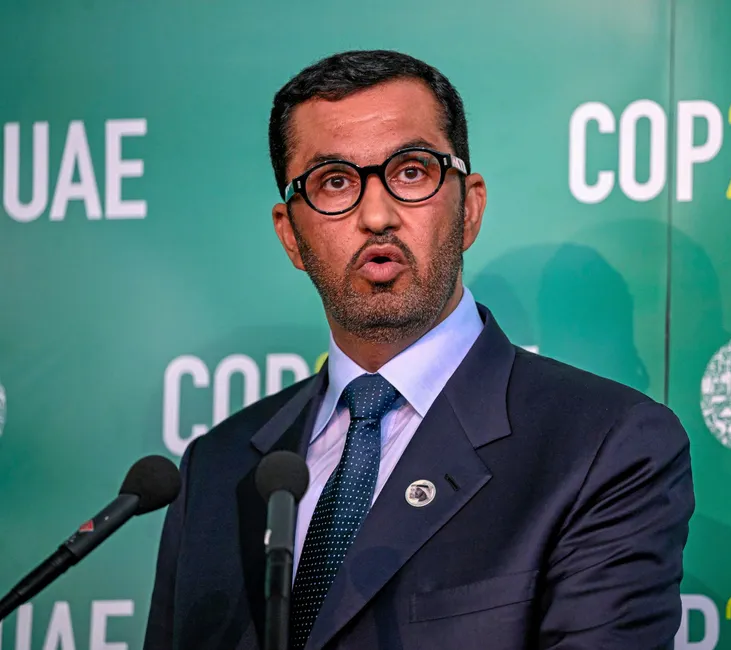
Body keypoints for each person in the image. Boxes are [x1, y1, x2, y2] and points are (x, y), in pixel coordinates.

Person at [144, 49, 695, 650]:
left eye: (411, 172)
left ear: (470, 208)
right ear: (291, 235)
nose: (377, 215)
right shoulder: (216, 469)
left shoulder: (604, 446)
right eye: (334, 182)